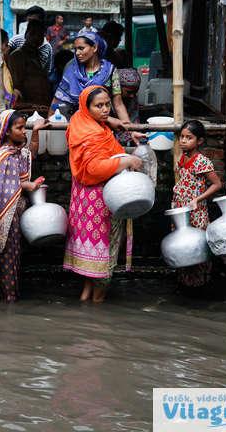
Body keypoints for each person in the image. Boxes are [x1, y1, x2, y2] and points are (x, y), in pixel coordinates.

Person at [64, 85, 142, 302]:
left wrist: (118, 125)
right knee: (104, 265)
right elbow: (95, 168)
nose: (106, 109)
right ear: (86, 107)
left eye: (108, 104)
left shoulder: (81, 123)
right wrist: (126, 160)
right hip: (101, 203)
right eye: (99, 106)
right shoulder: (93, 134)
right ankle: (97, 314)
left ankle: (86, 304)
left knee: (91, 272)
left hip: (83, 203)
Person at [0, 109, 48, 302]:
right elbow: (0, 186)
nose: (24, 131)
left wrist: (36, 131)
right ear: (7, 131)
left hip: (15, 214)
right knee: (8, 257)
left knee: (14, 256)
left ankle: (10, 294)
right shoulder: (3, 156)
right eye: (19, 128)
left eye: (24, 127)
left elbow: (31, 154)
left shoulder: (16, 152)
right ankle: (9, 297)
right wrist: (28, 185)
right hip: (6, 215)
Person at [171, 120, 222, 288]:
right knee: (182, 244)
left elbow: (217, 184)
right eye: (182, 137)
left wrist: (198, 199)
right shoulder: (182, 158)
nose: (183, 141)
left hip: (196, 210)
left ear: (199, 141)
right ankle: (185, 281)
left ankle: (200, 284)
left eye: (189, 138)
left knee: (197, 245)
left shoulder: (202, 161)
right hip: (181, 208)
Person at [52, 31, 130, 129]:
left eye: (81, 48)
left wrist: (130, 129)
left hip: (104, 129)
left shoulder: (110, 71)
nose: (77, 53)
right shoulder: (71, 72)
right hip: (80, 129)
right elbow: (56, 101)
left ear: (94, 48)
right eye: (75, 49)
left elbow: (118, 104)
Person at [7, 19, 52, 107]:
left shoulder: (37, 54)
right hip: (28, 107)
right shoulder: (17, 55)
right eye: (33, 33)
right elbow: (16, 87)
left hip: (41, 105)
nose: (36, 38)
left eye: (40, 35)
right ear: (26, 34)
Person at [10, 5, 53, 74]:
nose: (31, 25)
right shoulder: (16, 40)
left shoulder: (45, 47)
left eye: (35, 22)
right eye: (29, 22)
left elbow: (33, 72)